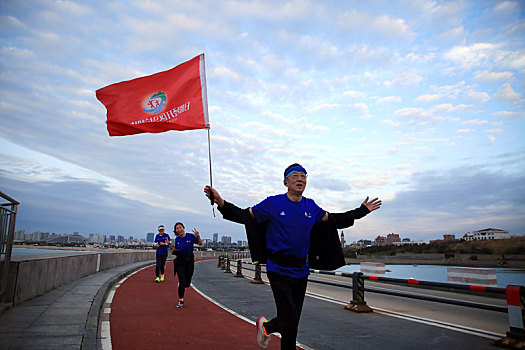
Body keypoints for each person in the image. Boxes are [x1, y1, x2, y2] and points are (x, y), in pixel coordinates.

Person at [204, 163, 381, 349]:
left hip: (301, 271)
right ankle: (265, 326)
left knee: (292, 324)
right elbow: (244, 216)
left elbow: (335, 220)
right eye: (295, 175)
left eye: (304, 176)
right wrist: (221, 202)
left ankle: (267, 328)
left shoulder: (310, 206)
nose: (300, 179)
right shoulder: (273, 203)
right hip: (278, 269)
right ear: (285, 181)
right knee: (289, 317)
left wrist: (362, 211)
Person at [171, 222, 203, 308]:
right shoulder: (177, 239)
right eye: (177, 229)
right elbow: (177, 249)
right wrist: (172, 247)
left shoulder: (191, 236)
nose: (179, 230)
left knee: (187, 283)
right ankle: (181, 300)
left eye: (180, 227)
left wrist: (198, 236)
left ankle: (185, 284)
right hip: (180, 261)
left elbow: (200, 244)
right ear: (176, 231)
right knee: (182, 281)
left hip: (189, 261)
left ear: (183, 228)